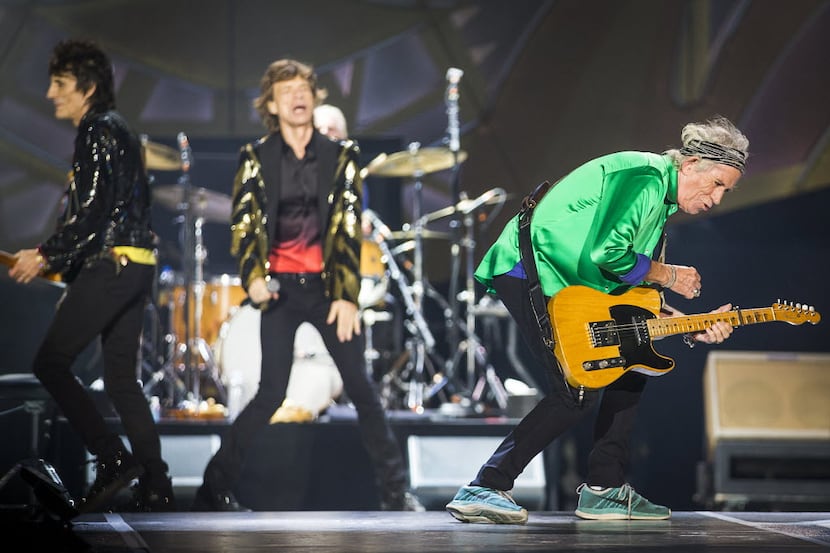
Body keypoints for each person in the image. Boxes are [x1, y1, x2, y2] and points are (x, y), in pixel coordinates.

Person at [445, 116, 749, 524]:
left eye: (725, 192)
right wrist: (671, 275)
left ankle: (603, 489)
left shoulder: (660, 201)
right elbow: (608, 254)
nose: (716, 199)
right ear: (691, 163)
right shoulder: (644, 177)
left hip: (576, 288)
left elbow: (631, 298)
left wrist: (691, 324)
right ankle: (485, 485)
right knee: (577, 389)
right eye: (716, 185)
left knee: (632, 362)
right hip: (531, 272)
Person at [191, 58, 422, 512]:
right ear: (271, 105)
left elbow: (350, 229)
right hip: (279, 288)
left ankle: (396, 492)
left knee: (361, 389)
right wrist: (253, 277)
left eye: (303, 89)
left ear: (314, 98)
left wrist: (348, 295)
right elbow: (243, 225)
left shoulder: (340, 156)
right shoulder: (256, 158)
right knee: (271, 393)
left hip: (327, 289)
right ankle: (213, 486)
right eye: (286, 91)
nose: (297, 97)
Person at [7, 39, 175, 512]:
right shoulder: (120, 130)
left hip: (114, 262)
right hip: (135, 265)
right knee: (122, 379)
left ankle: (111, 458)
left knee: (50, 364)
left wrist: (45, 254)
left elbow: (95, 213)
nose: (49, 94)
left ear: (88, 87)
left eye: (59, 83)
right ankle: (157, 483)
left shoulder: (98, 129)